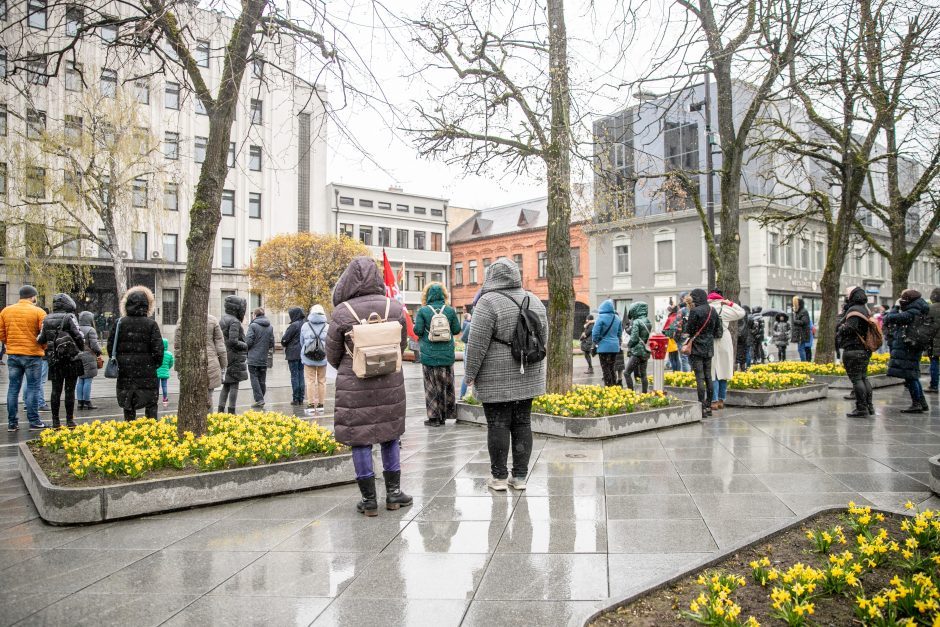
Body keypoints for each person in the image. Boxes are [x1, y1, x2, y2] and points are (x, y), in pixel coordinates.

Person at [326, 256, 411, 516]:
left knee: (360, 440)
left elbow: (331, 353)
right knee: (390, 436)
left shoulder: (342, 312)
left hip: (355, 384)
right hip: (389, 381)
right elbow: (402, 346)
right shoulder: (394, 308)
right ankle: (394, 494)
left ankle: (369, 499)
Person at [464, 258, 547, 491]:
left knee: (498, 424)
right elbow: (544, 339)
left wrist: (469, 374)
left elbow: (476, 344)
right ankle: (520, 477)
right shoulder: (534, 300)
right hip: (528, 374)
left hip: (495, 378)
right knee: (523, 423)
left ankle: (499, 477)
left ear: (491, 276)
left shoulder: (487, 302)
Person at [108, 286, 163, 421]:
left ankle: (129, 433)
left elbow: (111, 348)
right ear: (147, 306)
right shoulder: (151, 325)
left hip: (125, 372)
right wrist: (152, 365)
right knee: (150, 406)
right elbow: (158, 351)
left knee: (128, 406)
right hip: (147, 374)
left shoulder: (119, 323)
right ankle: (151, 434)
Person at [414, 282, 462, 427]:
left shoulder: (423, 311)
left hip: (429, 356)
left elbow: (418, 331)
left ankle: (434, 418)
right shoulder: (450, 310)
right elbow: (456, 330)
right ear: (443, 294)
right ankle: (446, 414)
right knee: (446, 385)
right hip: (447, 356)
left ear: (427, 295)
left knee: (431, 387)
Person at [0, 286, 48, 431]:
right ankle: (34, 421)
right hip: (33, 355)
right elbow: (44, 334)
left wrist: (10, 343)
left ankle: (12, 423)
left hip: (14, 355)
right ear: (33, 297)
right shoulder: (39, 312)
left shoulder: (6, 311)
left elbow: (1, 333)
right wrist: (42, 347)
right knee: (33, 388)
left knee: (13, 389)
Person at [36, 294, 85, 429]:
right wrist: (80, 347)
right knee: (70, 390)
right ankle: (69, 420)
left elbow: (40, 339)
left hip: (54, 359)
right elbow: (79, 336)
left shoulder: (46, 319)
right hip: (71, 359)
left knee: (55, 391)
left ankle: (55, 421)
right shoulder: (70, 317)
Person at [885, 289, 931, 413]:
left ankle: (917, 403)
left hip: (908, 348)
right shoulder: (920, 309)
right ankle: (921, 403)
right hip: (914, 346)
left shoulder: (911, 312)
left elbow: (889, 318)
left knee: (910, 377)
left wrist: (895, 306)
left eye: (902, 298)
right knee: (913, 375)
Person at [836, 286, 875, 417]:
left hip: (853, 349)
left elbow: (849, 328)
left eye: (848, 294)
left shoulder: (854, 309)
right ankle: (869, 406)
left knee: (857, 380)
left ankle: (861, 408)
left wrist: (841, 327)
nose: (847, 297)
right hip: (863, 349)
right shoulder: (865, 309)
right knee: (863, 378)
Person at [685, 289, 722, 417]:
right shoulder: (713, 310)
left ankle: (701, 406)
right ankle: (708, 406)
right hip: (709, 348)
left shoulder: (695, 311)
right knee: (708, 377)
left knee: (699, 377)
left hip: (696, 348)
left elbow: (689, 330)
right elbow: (718, 331)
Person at [710, 292, 745, 410]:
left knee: (713, 371)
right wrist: (730, 303)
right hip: (724, 339)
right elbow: (741, 312)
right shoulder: (724, 309)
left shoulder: (707, 309)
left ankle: (713, 401)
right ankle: (721, 400)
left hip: (711, 340)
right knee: (724, 370)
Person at [218, 296, 248, 414]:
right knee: (234, 385)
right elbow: (233, 341)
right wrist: (245, 345)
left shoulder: (223, 319)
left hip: (226, 354)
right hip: (234, 356)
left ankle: (221, 409)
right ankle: (231, 410)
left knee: (226, 385)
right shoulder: (234, 321)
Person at [300, 304, 329, 415]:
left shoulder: (305, 326)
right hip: (323, 357)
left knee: (310, 381)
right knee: (322, 381)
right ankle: (321, 405)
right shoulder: (327, 326)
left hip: (308, 357)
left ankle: (311, 405)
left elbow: (302, 342)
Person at [245, 307, 274, 408]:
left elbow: (248, 342)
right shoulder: (270, 327)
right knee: (262, 379)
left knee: (254, 379)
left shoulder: (253, 326)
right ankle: (261, 398)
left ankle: (259, 399)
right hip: (264, 358)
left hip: (253, 358)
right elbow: (271, 343)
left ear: (255, 315)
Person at [592, 299, 624, 387]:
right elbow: (619, 333)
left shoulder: (600, 318)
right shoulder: (617, 318)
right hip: (614, 347)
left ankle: (608, 387)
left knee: (605, 368)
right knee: (612, 367)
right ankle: (614, 385)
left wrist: (596, 341)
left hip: (603, 348)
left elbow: (595, 333)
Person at [280, 306, 307, 406]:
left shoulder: (294, 325)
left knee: (295, 376)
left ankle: (296, 399)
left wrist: (284, 343)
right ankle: (301, 398)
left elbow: (285, 339)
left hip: (293, 354)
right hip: (303, 354)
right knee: (301, 376)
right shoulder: (305, 324)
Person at [76, 311, 101, 410]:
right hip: (89, 356)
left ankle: (80, 402)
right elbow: (94, 345)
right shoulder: (91, 330)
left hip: (78, 356)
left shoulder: (76, 329)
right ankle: (87, 402)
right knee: (88, 380)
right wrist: (98, 352)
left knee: (80, 379)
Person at [624, 302, 651, 393]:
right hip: (645, 350)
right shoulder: (647, 321)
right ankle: (644, 394)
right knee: (643, 374)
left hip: (637, 351)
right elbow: (641, 334)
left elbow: (634, 338)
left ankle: (630, 394)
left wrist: (629, 345)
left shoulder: (636, 322)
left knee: (626, 373)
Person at [791, 297, 813, 361]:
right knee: (800, 349)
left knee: (801, 349)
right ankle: (804, 362)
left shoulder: (804, 311)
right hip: (800, 333)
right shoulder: (798, 311)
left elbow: (804, 322)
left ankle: (804, 362)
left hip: (802, 333)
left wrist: (795, 321)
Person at [928, 289, 940, 393]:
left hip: (933, 341)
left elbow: (926, 325)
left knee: (934, 361)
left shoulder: (930, 309)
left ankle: (934, 385)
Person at [156, 339, 174, 408]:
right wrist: (167, 368)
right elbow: (171, 363)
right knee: (164, 386)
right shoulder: (169, 354)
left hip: (157, 372)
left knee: (157, 387)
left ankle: (156, 399)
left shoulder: (157, 353)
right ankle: (165, 399)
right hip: (165, 373)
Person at [663, 306, 682, 372]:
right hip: (678, 339)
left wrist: (664, 333)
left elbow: (665, 329)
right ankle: (678, 372)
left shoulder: (670, 318)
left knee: (672, 357)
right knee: (677, 357)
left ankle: (675, 372)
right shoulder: (679, 317)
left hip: (671, 340)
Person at [736, 305, 752, 372]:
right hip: (745, 340)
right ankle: (746, 368)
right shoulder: (748, 319)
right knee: (745, 355)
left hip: (742, 340)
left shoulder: (741, 320)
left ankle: (743, 369)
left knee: (742, 356)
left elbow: (741, 332)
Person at [460, 312, 473, 398]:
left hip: (469, 352)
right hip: (472, 353)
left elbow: (463, 339)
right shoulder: (469, 324)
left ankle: (462, 395)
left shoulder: (470, 324)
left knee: (467, 374)